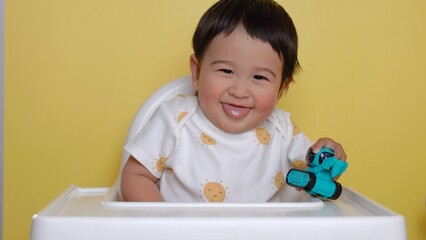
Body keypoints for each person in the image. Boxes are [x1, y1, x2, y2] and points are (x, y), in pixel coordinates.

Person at [121, 0, 346, 202]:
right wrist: (165, 225)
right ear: (197, 73)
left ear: (280, 90)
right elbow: (135, 175)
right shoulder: (174, 120)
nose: (239, 91)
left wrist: (329, 155)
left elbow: (318, 176)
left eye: (259, 77)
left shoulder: (282, 130)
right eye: (226, 70)